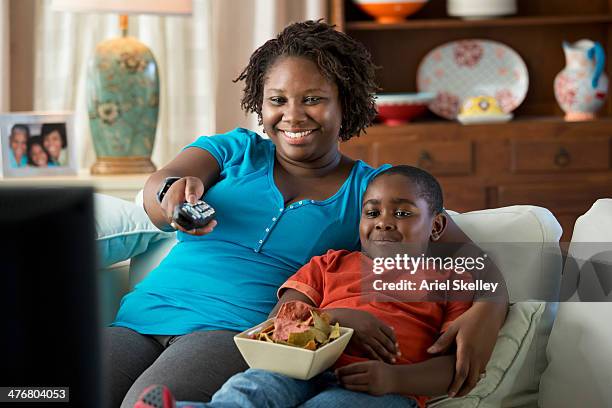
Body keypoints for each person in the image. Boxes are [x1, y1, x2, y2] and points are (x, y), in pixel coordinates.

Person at [105, 20, 507, 408]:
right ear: (260, 106)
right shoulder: (233, 151)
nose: (293, 115)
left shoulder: (375, 192)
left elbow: (463, 254)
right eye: (278, 100)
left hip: (230, 334)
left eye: (312, 99)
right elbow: (160, 190)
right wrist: (172, 194)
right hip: (142, 315)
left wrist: (488, 311)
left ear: (345, 104)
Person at [135, 165, 477, 408]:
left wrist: (393, 381)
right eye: (372, 213)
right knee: (251, 389)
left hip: (377, 389)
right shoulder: (330, 264)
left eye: (402, 214)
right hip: (298, 366)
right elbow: (278, 324)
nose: (383, 222)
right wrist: (336, 318)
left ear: (436, 226)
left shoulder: (449, 281)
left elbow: (453, 366)